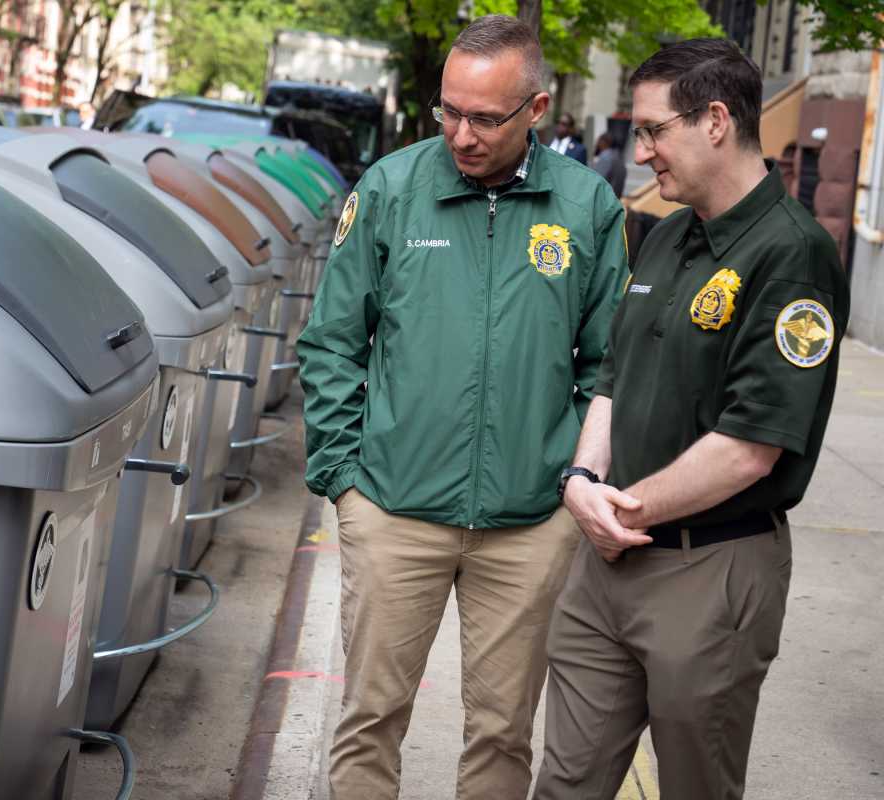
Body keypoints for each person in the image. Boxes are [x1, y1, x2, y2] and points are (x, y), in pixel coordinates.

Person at [296, 14, 628, 800]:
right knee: (371, 717)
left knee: (502, 733)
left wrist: (570, 483)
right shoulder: (391, 189)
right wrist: (345, 480)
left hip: (526, 524)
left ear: (537, 111)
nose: (462, 135)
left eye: (486, 117)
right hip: (393, 509)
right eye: (450, 111)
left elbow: (609, 362)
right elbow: (331, 342)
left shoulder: (586, 206)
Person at [534, 38, 850, 800]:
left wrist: (620, 509)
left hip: (709, 570)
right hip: (609, 560)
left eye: (652, 130)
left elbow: (753, 447)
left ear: (714, 120)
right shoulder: (669, 233)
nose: (641, 152)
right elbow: (615, 375)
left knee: (694, 788)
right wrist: (582, 480)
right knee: (563, 787)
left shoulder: (793, 254)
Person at [592, 131, 627, 197]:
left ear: (604, 142)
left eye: (598, 141)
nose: (596, 144)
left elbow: (597, 183)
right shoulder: (619, 157)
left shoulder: (605, 158)